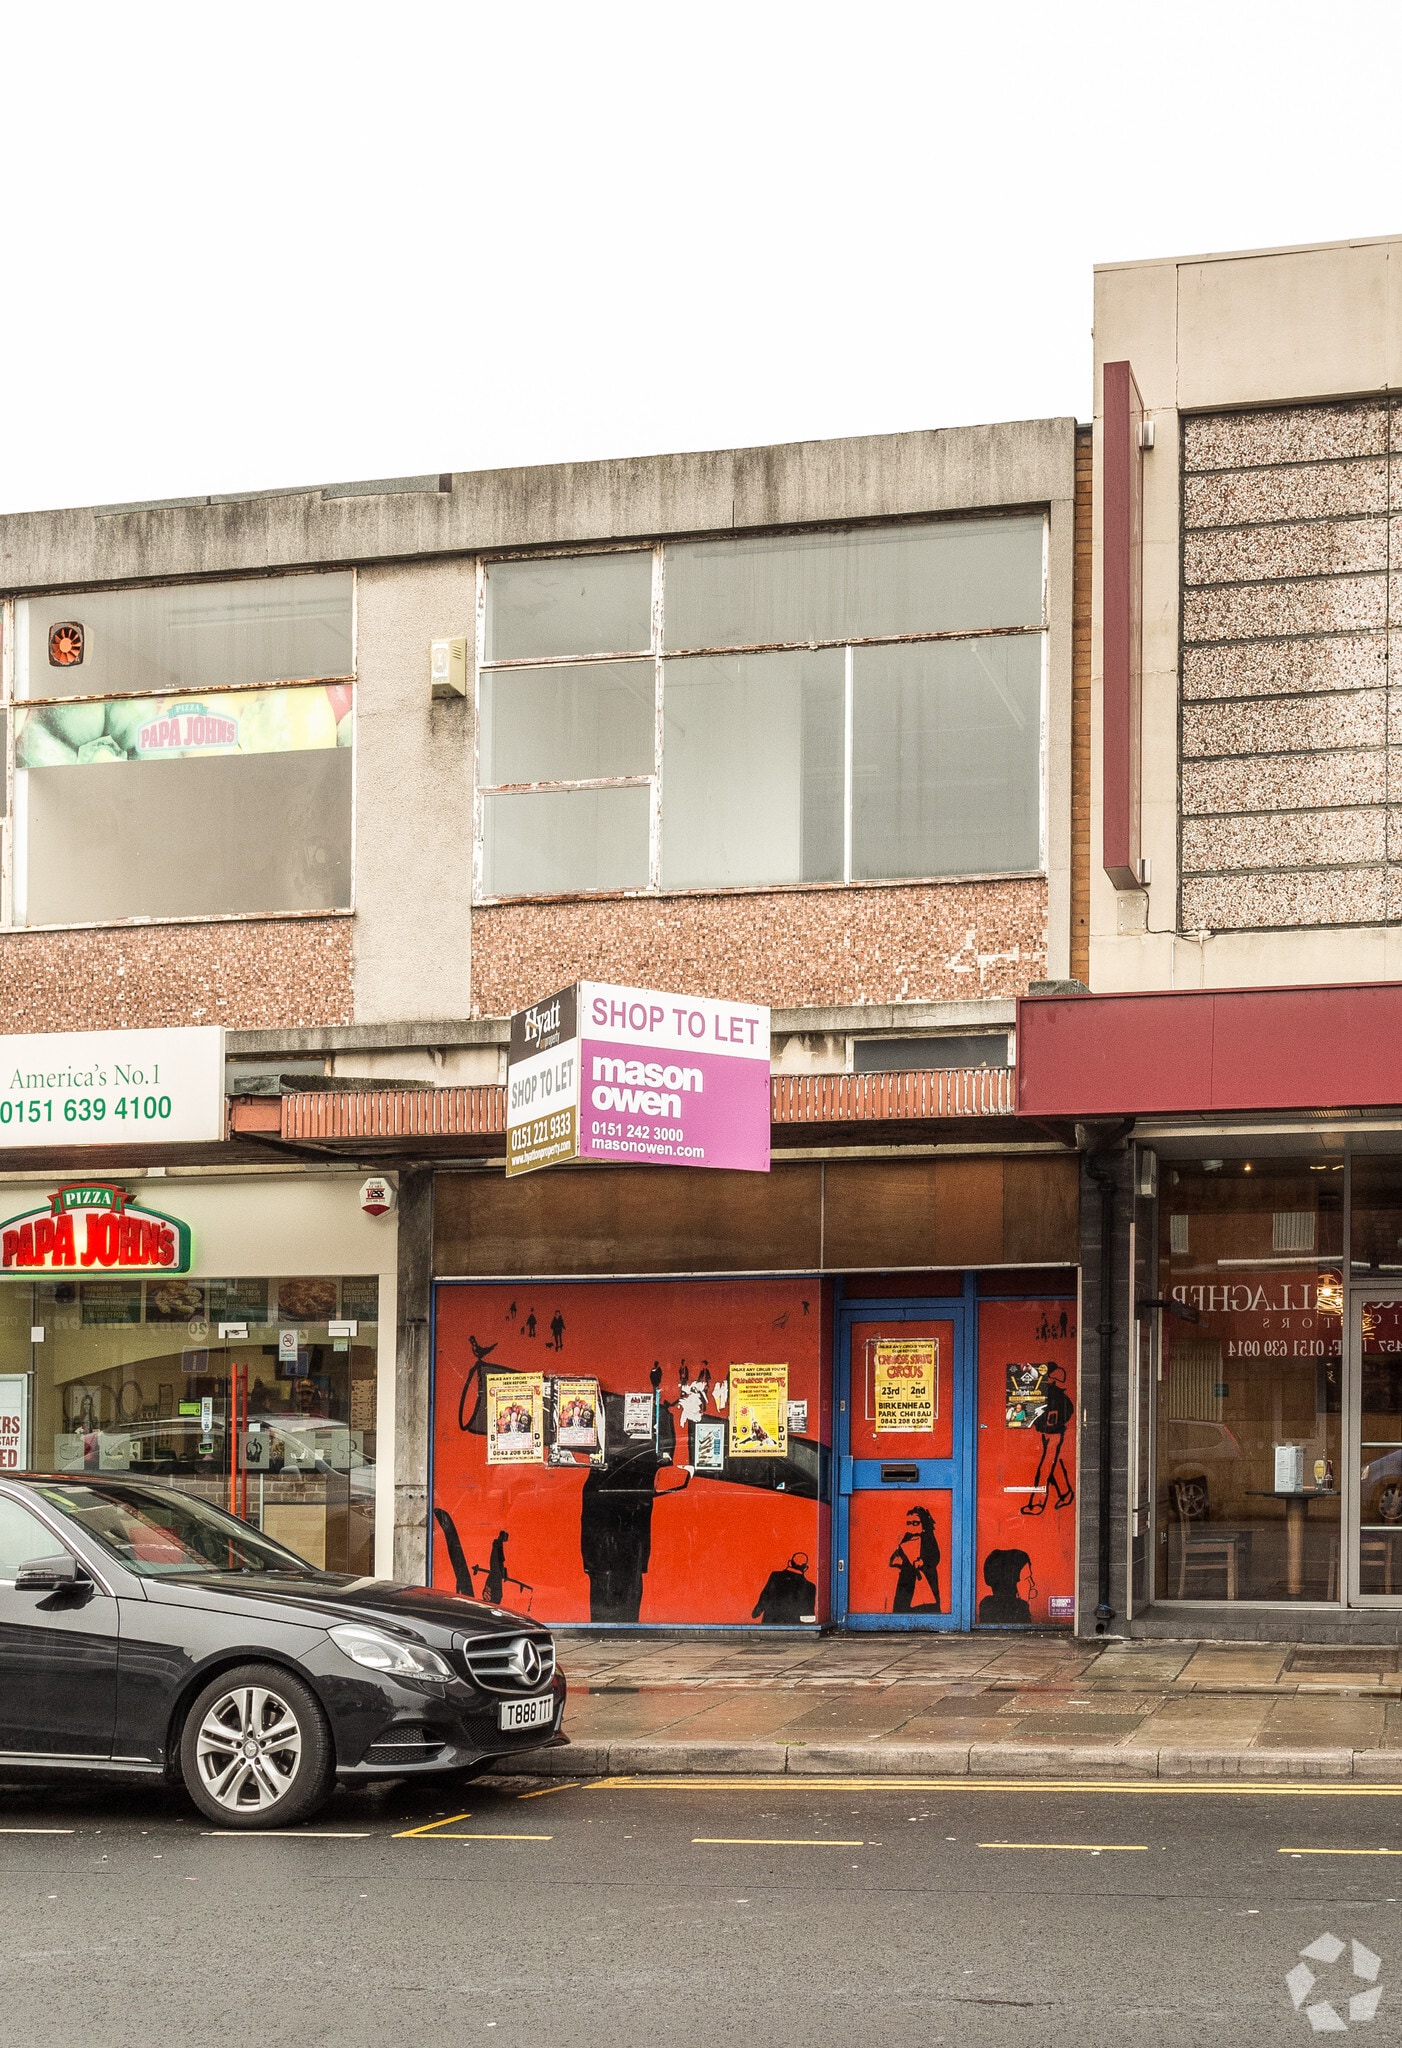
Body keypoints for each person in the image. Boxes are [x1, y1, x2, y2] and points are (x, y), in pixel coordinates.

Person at [1022, 1365, 1075, 1515]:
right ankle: (1065, 1493)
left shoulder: (1055, 1394)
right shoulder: (1045, 1393)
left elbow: (1068, 1410)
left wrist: (1056, 1422)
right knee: (1054, 1464)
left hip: (1054, 1434)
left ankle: (1037, 1504)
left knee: (1045, 1467)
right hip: (1046, 1432)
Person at [889, 1506, 942, 1612]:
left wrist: (923, 1561)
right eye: (909, 1523)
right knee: (903, 1605)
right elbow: (897, 1555)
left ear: (923, 1524)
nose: (912, 1526)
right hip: (907, 1579)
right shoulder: (906, 1538)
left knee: (928, 1604)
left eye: (915, 1523)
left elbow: (935, 1555)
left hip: (925, 1576)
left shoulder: (928, 1538)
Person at [752, 1552, 817, 1624]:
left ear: (790, 1562)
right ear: (805, 1568)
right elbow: (809, 1613)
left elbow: (765, 1597)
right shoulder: (810, 1587)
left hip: (771, 1624)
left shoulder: (775, 1576)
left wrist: (756, 1612)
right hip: (794, 1628)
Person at [979, 1548, 1033, 1623]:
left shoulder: (986, 1605)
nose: (1032, 1583)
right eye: (1027, 1578)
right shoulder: (1021, 1608)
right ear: (1011, 1582)